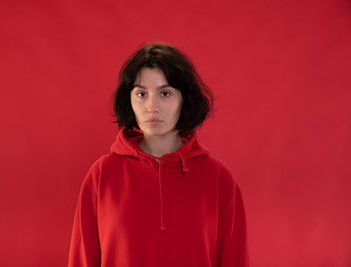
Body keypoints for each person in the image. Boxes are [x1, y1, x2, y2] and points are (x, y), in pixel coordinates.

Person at [68, 42, 249, 267]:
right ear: (129, 100)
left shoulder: (219, 179)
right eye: (141, 94)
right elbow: (82, 261)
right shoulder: (102, 175)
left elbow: (234, 260)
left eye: (165, 93)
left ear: (184, 99)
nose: (152, 106)